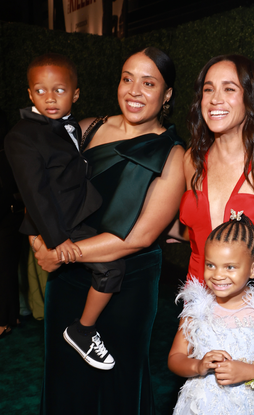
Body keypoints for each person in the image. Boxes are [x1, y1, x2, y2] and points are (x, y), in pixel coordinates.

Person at [33, 47, 185, 414]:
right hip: (68, 279)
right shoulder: (87, 128)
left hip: (128, 284)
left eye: (148, 83)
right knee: (64, 374)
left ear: (166, 95)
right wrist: (38, 241)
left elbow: (140, 237)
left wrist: (60, 253)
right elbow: (40, 189)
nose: (134, 90)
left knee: (119, 377)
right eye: (127, 78)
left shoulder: (174, 153)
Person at [178, 54, 254, 381]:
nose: (215, 99)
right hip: (200, 306)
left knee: (252, 395)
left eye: (229, 89)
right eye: (208, 89)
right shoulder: (191, 161)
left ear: (251, 98)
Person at [5, 53, 125, 370]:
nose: (50, 98)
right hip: (60, 222)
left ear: (75, 93)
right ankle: (82, 330)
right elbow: (36, 193)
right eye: (40, 90)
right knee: (111, 267)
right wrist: (56, 240)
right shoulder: (20, 136)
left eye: (58, 90)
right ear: (29, 94)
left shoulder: (71, 124)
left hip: (80, 211)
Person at [168, 213, 254, 414]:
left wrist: (249, 371)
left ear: (253, 269)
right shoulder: (197, 310)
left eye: (230, 267)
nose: (218, 275)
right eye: (210, 265)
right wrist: (198, 366)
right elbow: (175, 358)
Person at [0, 108, 24, 339]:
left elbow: (12, 190)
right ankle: (12, 316)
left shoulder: (7, 149)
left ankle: (4, 321)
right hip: (11, 215)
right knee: (7, 270)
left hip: (11, 217)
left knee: (5, 270)